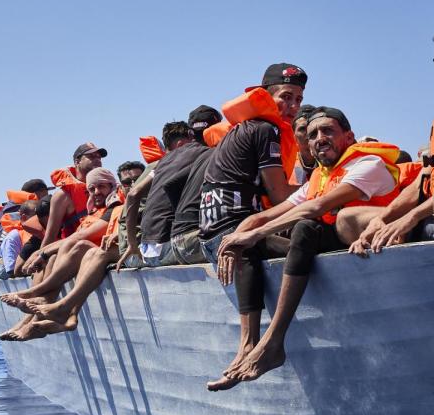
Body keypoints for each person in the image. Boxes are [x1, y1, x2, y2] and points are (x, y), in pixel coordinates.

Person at [207, 107, 401, 391]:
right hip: (326, 244)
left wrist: (255, 233)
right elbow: (264, 217)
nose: (320, 138)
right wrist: (237, 237)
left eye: (328, 131)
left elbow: (317, 207)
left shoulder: (368, 165)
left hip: (363, 242)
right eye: (312, 135)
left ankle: (273, 341)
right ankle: (246, 345)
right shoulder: (318, 179)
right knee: (249, 241)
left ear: (349, 136)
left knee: (305, 227)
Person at [198, 63, 307, 375]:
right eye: (286, 97)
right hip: (230, 237)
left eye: (298, 99)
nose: (293, 106)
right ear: (267, 97)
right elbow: (278, 194)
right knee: (306, 245)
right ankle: (250, 343)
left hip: (210, 233)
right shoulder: (266, 130)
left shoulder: (242, 128)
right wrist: (327, 188)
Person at [343, 24, 434, 252]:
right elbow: (424, 178)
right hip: (430, 213)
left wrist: (412, 216)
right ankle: (395, 256)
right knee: (347, 218)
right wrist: (384, 218)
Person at [0, 168, 121, 340]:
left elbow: (80, 236)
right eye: (92, 189)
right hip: (89, 251)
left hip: (106, 250)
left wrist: (42, 253)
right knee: (58, 254)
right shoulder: (95, 210)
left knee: (78, 247)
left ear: (112, 184)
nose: (96, 192)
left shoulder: (116, 203)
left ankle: (39, 296)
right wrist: (42, 254)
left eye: (101, 186)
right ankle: (40, 311)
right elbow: (18, 269)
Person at [119, 121, 209, 268]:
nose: (195, 144)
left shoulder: (161, 163)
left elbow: (132, 194)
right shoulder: (196, 153)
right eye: (192, 142)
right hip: (165, 249)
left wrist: (132, 244)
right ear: (181, 144)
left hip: (145, 250)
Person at [42, 142, 107, 247]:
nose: (97, 160)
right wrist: (40, 257)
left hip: (103, 246)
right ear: (77, 161)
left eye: (99, 157)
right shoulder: (63, 196)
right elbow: (50, 236)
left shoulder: (107, 188)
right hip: (75, 251)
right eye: (91, 156)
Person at [0, 178, 50, 259]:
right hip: (21, 255)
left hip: (3, 255)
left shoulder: (6, 209)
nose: (48, 196)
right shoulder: (32, 208)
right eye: (46, 191)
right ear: (38, 192)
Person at [0, 200, 37, 278]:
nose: (40, 218)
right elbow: (11, 271)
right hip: (14, 276)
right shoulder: (13, 237)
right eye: (36, 216)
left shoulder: (43, 232)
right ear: (24, 217)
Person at [290, 104, 317, 186]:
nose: (309, 133)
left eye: (312, 127)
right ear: (293, 136)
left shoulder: (334, 162)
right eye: (302, 129)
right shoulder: (283, 165)